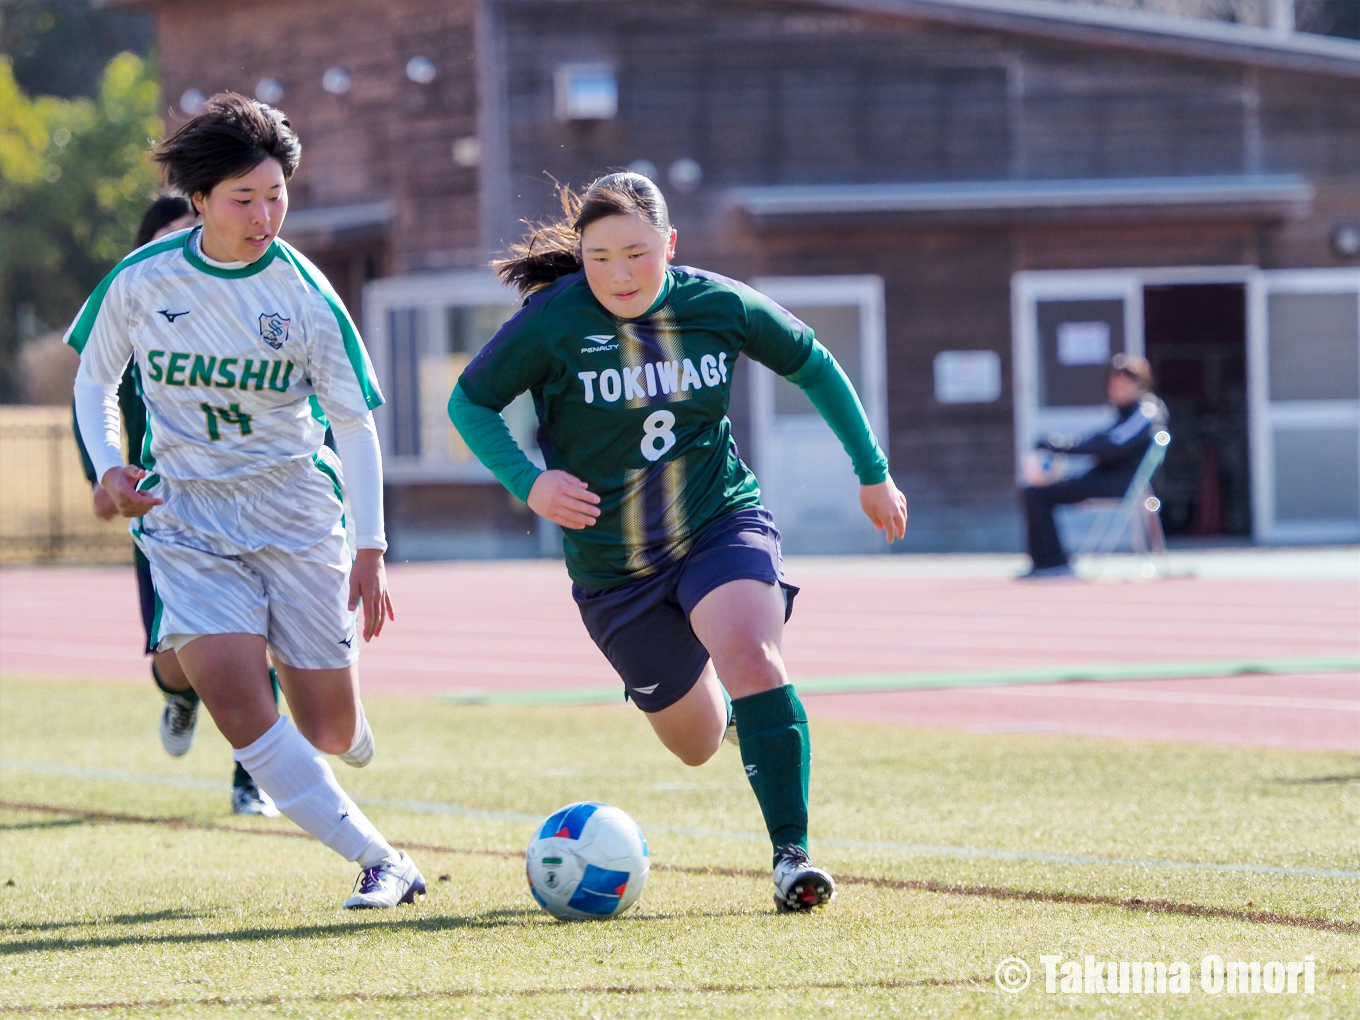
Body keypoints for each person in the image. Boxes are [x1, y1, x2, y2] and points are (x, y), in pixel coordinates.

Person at [448, 172, 908, 912]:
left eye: (636, 252)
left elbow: (812, 362)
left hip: (717, 521)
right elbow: (469, 401)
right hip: (613, 567)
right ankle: (737, 721)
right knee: (695, 742)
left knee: (753, 655)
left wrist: (872, 472)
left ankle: (792, 855)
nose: (620, 274)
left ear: (669, 244)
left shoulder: (716, 303)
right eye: (599, 257)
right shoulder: (551, 322)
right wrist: (527, 482)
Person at [66, 93, 423, 908]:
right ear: (199, 201)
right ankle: (381, 861)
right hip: (187, 515)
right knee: (229, 690)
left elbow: (353, 425)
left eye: (276, 196)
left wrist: (370, 547)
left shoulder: (305, 296)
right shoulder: (142, 281)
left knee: (331, 731)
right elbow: (96, 380)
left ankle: (346, 719)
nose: (265, 215)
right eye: (243, 199)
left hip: (294, 510)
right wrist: (110, 465)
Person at [73, 195, 281, 818]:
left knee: (253, 641)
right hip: (162, 514)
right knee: (178, 661)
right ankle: (179, 692)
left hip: (245, 507)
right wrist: (104, 476)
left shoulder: (246, 312)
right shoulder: (133, 313)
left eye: (190, 231)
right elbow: (92, 394)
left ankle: (254, 779)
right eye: (168, 235)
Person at [1018, 354, 1168, 579]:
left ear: (1139, 384)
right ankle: (1045, 562)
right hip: (1104, 478)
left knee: (1041, 494)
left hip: (1123, 484)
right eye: (1113, 383)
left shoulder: (1146, 412)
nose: (1116, 388)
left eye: (1123, 383)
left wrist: (1061, 446)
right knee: (1034, 491)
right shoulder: (1124, 414)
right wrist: (1059, 444)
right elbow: (1100, 438)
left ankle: (1054, 562)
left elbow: (1114, 445)